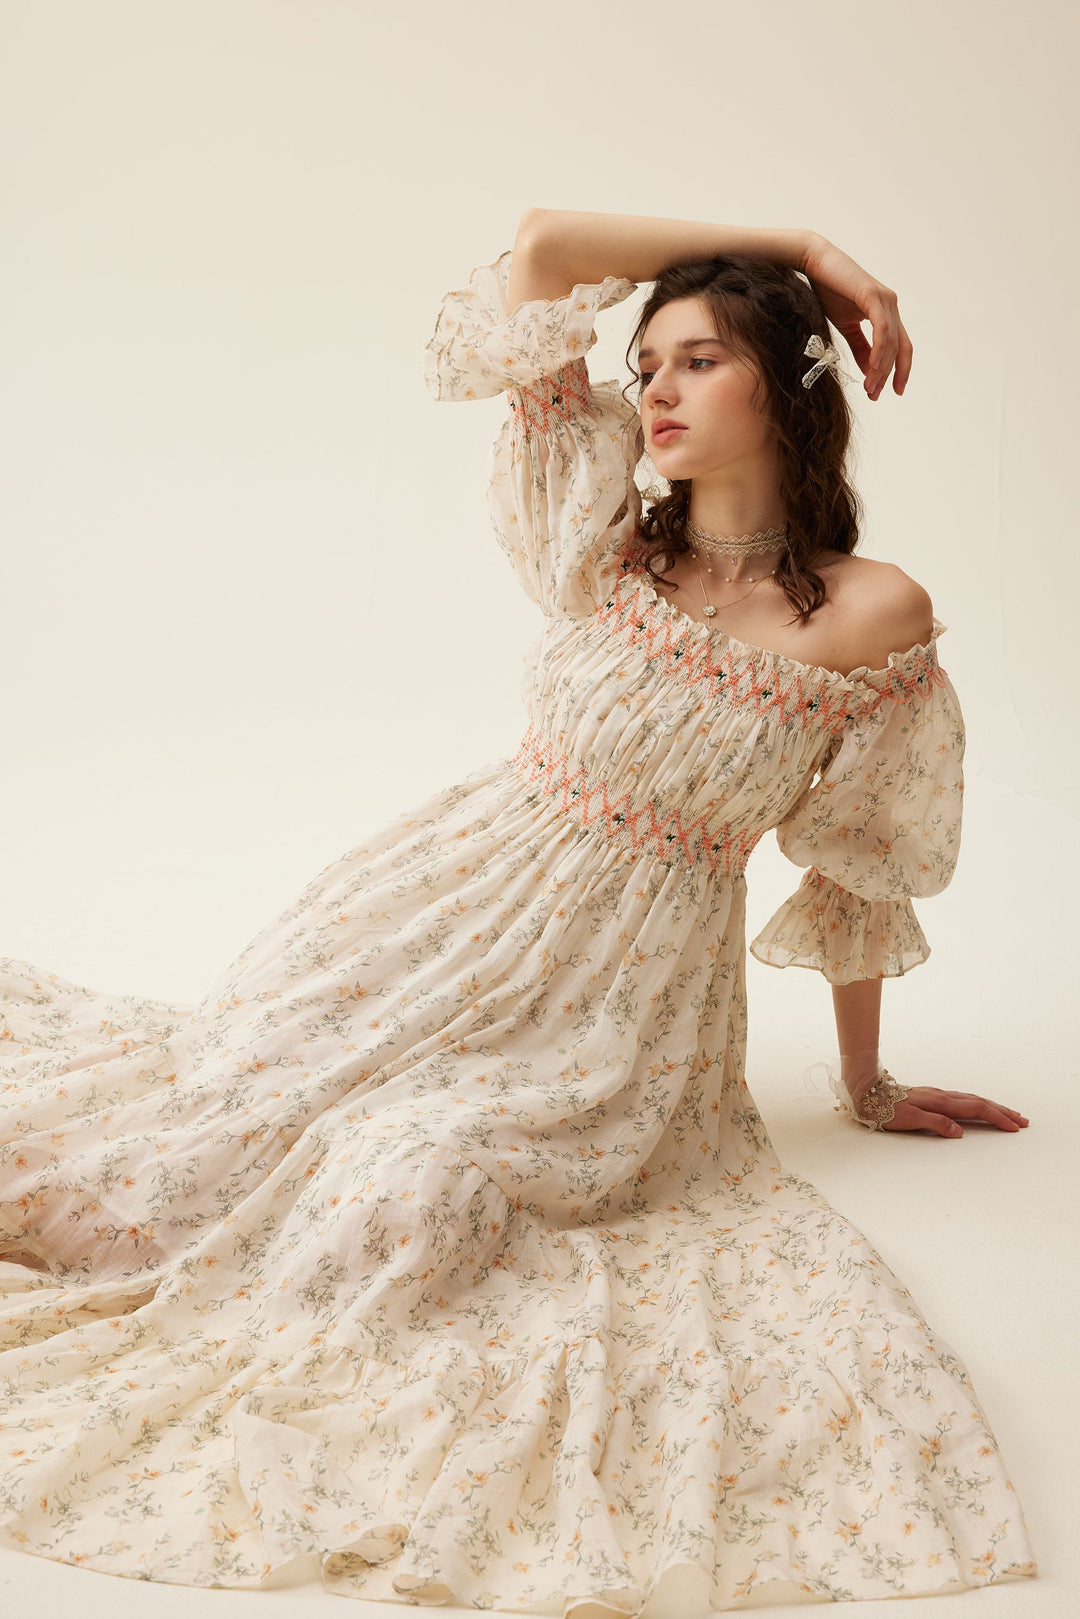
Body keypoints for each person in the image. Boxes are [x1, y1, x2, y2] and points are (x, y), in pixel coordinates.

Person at [0, 208, 1037, 1617]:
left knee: (402, 1191)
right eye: (646, 362)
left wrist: (868, 1082)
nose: (655, 391)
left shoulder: (872, 614)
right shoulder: (606, 544)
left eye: (700, 361)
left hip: (613, 1024)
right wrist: (804, 242)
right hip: (424, 927)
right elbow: (545, 246)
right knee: (175, 1168)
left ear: (793, 383)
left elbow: (858, 862)